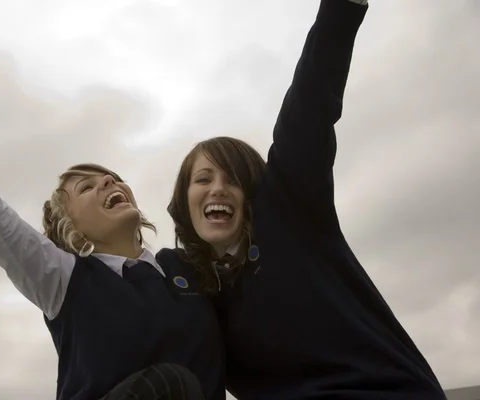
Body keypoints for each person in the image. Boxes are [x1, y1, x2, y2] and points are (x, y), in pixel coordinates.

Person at [168, 0, 448, 399]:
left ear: (252, 194)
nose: (217, 188)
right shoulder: (191, 293)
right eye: (202, 179)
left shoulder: (291, 215)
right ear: (184, 199)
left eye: (232, 179)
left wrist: (341, 10)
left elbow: (309, 108)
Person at [0, 91, 225, 400]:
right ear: (68, 227)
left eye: (111, 178)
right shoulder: (63, 278)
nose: (108, 180)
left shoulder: (190, 268)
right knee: (172, 383)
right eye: (87, 188)